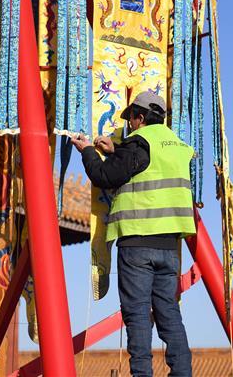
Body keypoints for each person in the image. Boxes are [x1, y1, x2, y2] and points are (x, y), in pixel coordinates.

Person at [71, 91, 195, 377]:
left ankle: (142, 374)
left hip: (138, 243)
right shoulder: (177, 146)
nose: (130, 125)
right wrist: (117, 150)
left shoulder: (139, 143)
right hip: (169, 247)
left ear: (140, 117)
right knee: (169, 314)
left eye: (131, 120)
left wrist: (88, 151)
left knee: (137, 315)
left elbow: (105, 176)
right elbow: (147, 166)